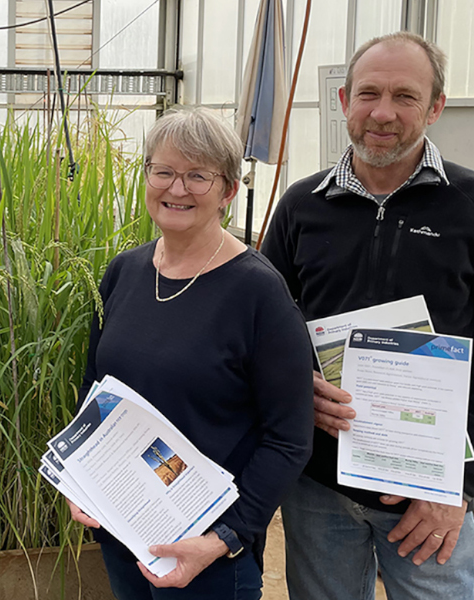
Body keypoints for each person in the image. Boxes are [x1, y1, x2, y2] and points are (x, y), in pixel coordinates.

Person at [260, 31, 474, 600]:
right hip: (319, 487)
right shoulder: (302, 206)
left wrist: (463, 487)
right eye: (369, 94)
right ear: (344, 102)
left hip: (433, 492)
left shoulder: (470, 206)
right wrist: (294, 386)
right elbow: (264, 329)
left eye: (405, 96)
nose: (383, 113)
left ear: (435, 108)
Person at [70, 107, 314, 599]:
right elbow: (95, 389)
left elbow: (289, 438)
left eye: (198, 176)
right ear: (146, 177)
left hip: (209, 551)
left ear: (228, 191)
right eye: (163, 171)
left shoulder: (258, 293)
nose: (177, 189)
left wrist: (224, 538)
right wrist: (84, 484)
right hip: (126, 528)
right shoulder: (125, 272)